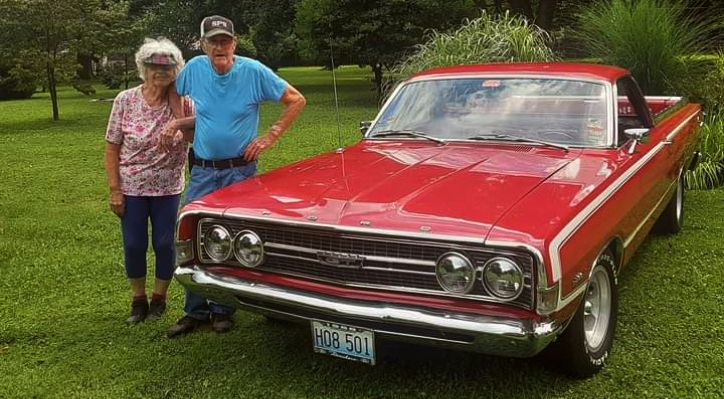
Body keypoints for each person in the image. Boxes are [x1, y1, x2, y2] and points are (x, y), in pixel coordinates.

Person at [160, 15, 306, 337]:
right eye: (213, 42)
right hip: (202, 171)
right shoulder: (195, 69)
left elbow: (295, 99)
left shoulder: (253, 72)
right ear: (203, 45)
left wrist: (270, 137)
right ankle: (194, 311)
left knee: (229, 238)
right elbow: (172, 89)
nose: (219, 47)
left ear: (234, 43)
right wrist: (181, 121)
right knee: (191, 239)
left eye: (225, 41)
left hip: (240, 171)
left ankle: (223, 310)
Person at [104, 38, 193, 324]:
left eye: (168, 68)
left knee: (165, 244)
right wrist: (115, 189)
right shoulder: (125, 100)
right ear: (144, 68)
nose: (160, 72)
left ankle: (159, 299)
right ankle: (138, 300)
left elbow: (193, 139)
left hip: (167, 187)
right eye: (154, 66)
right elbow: (112, 146)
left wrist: (177, 110)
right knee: (133, 244)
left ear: (176, 71)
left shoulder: (185, 102)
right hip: (131, 187)